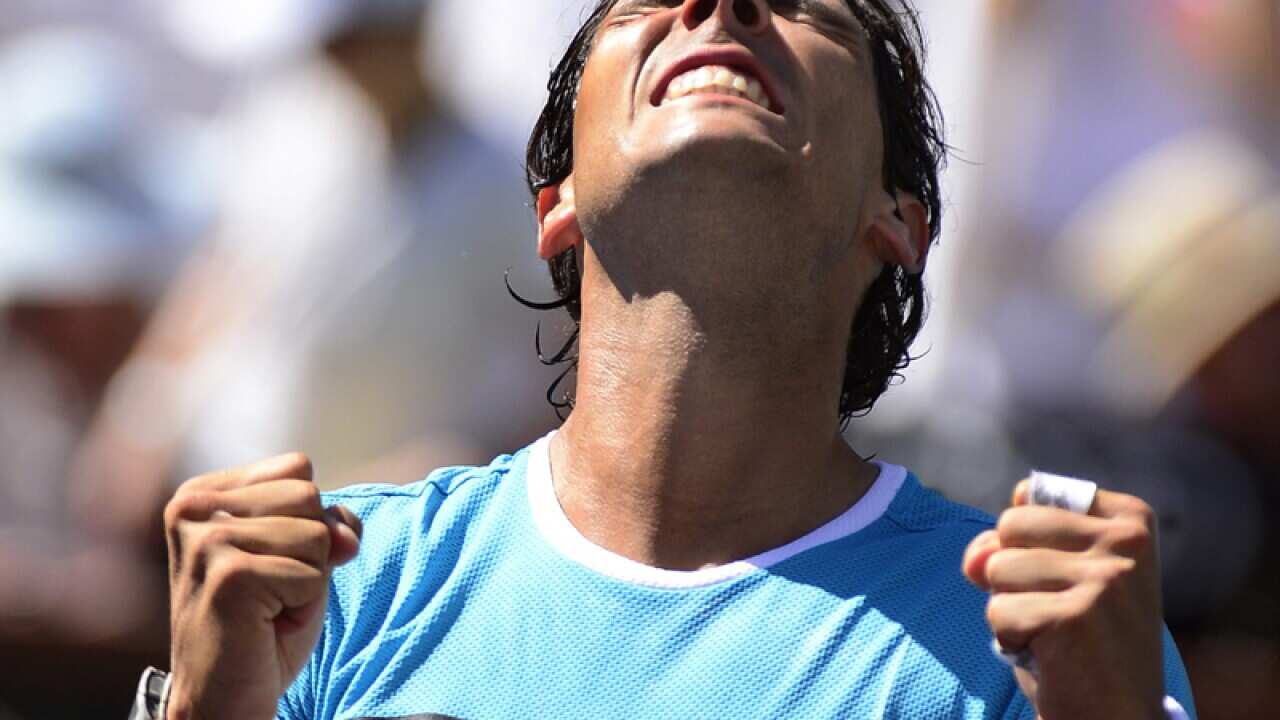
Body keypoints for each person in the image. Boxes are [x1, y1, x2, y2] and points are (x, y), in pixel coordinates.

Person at [145, 1, 1198, 718]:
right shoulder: (330, 599)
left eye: (806, 9)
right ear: (551, 207)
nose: (720, 4)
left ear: (901, 220)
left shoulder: (1050, 638)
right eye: (642, 4)